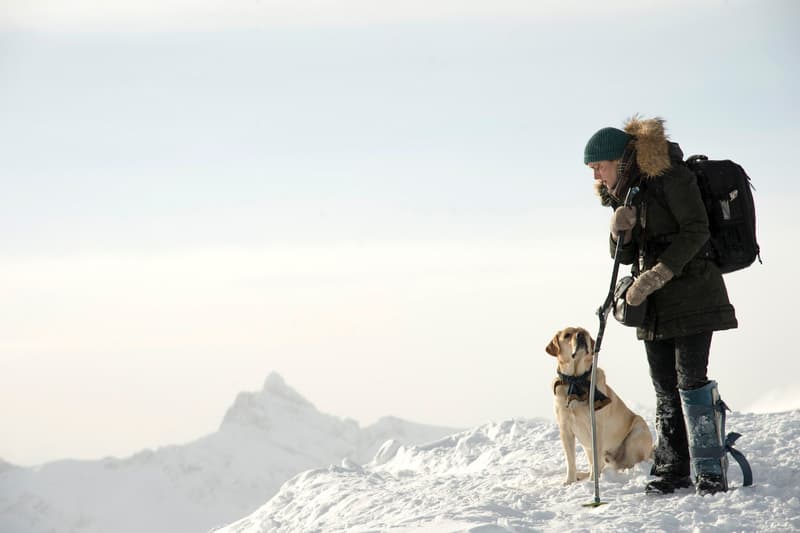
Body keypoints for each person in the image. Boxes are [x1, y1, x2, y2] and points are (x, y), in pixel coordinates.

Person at [583, 116, 738, 495]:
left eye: (599, 168)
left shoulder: (671, 177)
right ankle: (672, 467)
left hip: (693, 296)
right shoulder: (628, 192)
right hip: (653, 306)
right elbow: (628, 255)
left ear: (618, 160)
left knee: (690, 382)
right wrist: (619, 230)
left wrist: (657, 275)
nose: (597, 177)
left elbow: (696, 230)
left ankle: (709, 469)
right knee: (665, 387)